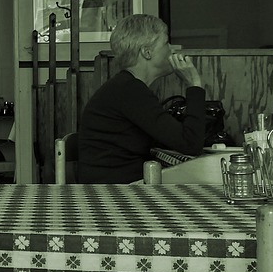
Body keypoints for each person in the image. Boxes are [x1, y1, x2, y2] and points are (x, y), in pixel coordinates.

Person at [77, 14, 207, 184]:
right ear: (147, 52)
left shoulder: (126, 87)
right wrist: (195, 85)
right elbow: (191, 144)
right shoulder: (129, 90)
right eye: (166, 43)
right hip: (113, 195)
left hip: (121, 187)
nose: (172, 50)